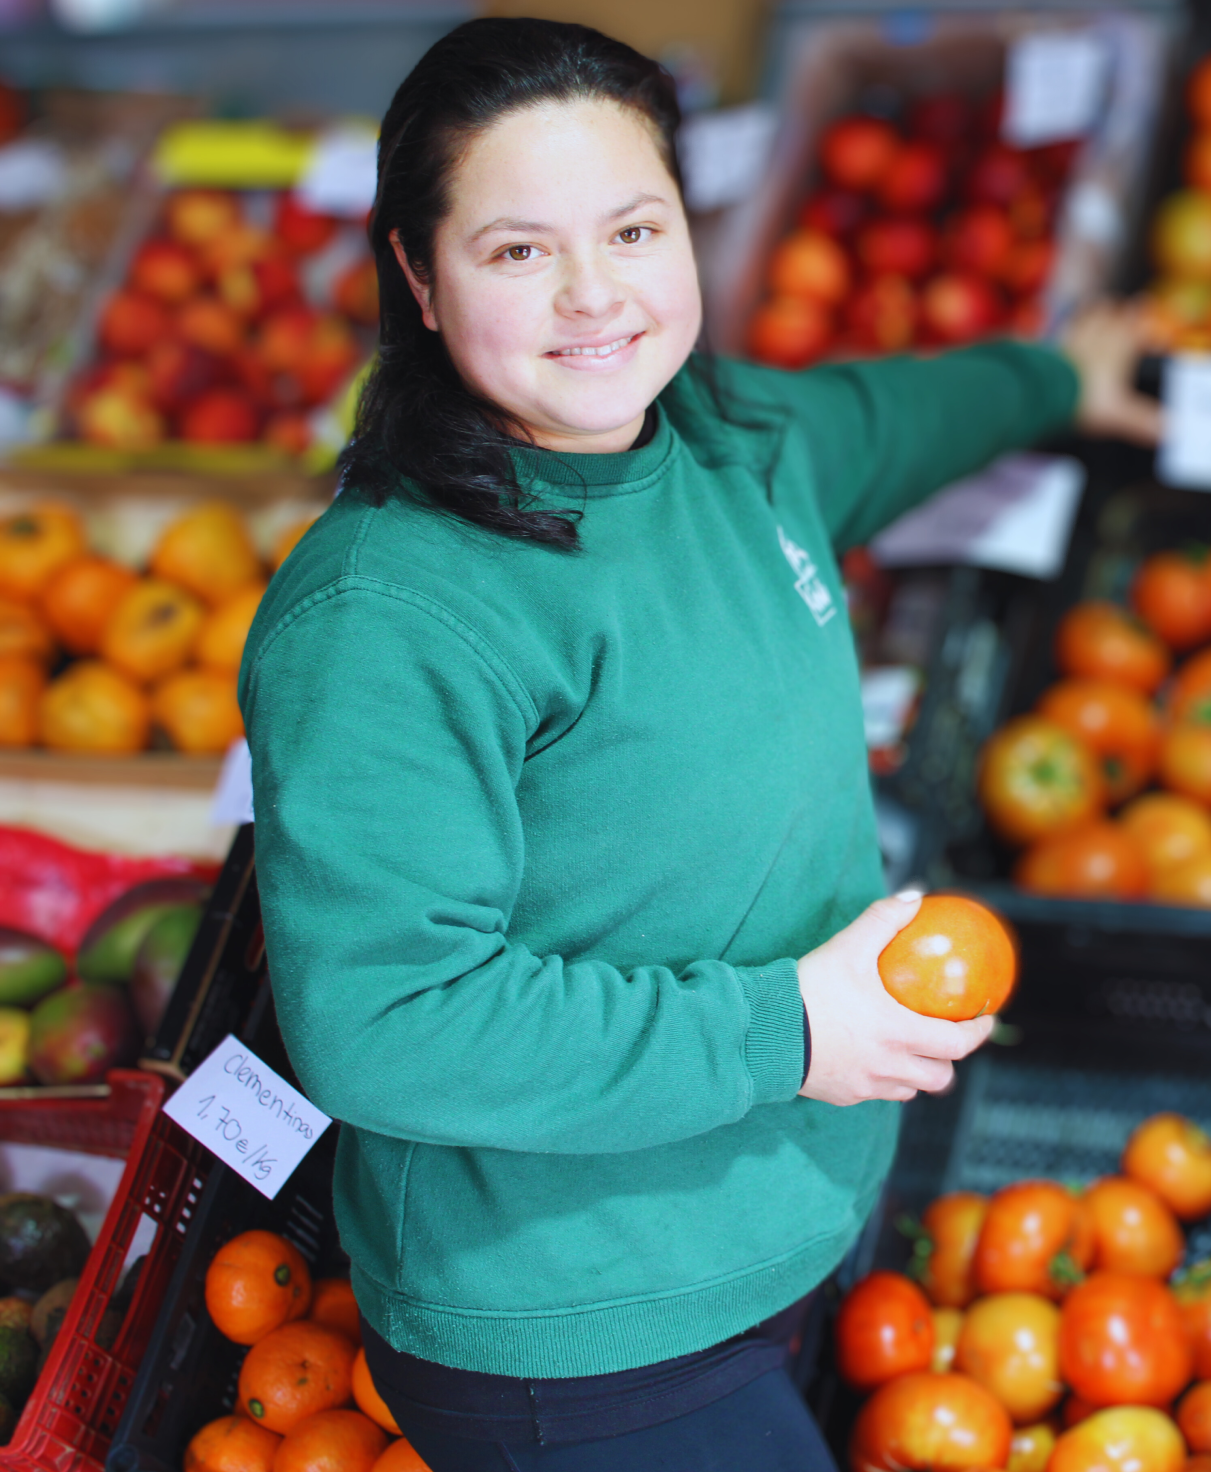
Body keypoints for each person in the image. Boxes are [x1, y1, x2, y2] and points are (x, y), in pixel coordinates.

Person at [239, 17, 1161, 1471]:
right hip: (583, 1325)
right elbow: (385, 1022)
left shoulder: (728, 442)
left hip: (786, 1213)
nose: (596, 295)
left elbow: (883, 418)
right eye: (518, 251)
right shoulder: (386, 614)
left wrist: (1053, 381)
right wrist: (789, 1030)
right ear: (417, 275)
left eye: (633, 227)